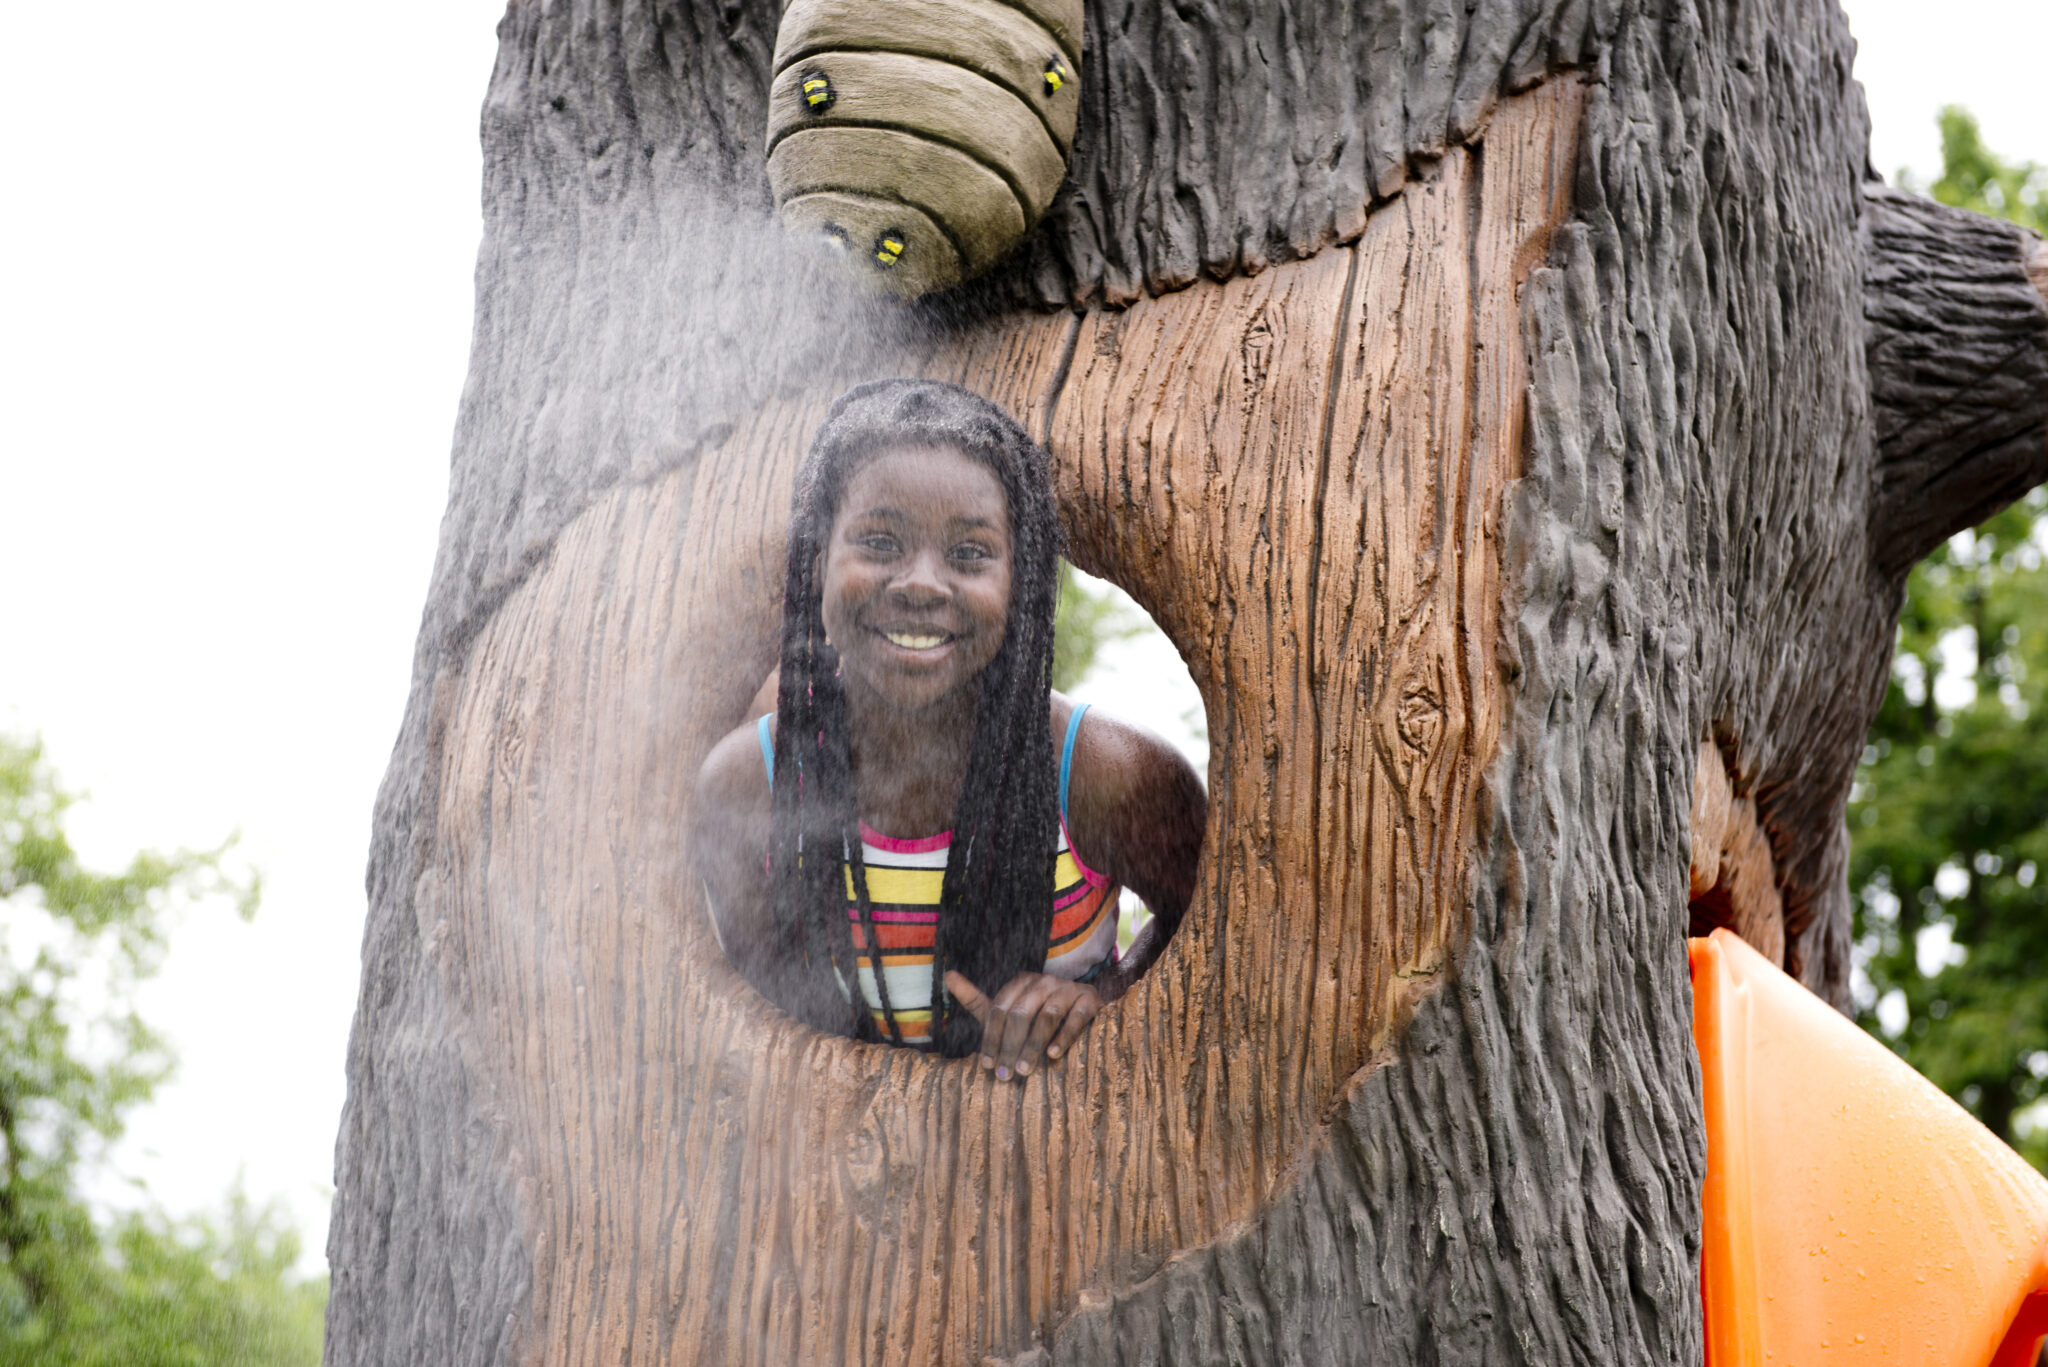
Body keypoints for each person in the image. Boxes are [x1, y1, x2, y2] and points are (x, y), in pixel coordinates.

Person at [693, 379, 1205, 1079]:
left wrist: (1101, 1001)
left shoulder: (1104, 775)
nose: (923, 583)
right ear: (817, 564)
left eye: (968, 554)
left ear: (1019, 579)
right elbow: (763, 1015)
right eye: (879, 541)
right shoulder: (752, 784)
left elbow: (1213, 929)